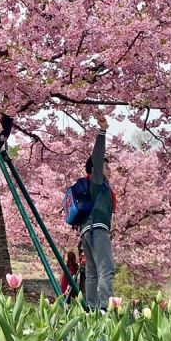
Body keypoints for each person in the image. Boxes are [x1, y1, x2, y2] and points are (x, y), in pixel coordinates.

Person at [79, 111, 115, 310]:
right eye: (106, 167)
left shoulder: (95, 186)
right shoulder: (97, 181)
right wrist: (102, 132)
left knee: (92, 272)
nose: (109, 171)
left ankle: (92, 310)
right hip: (97, 229)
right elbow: (98, 156)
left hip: (87, 230)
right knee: (106, 269)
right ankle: (104, 309)